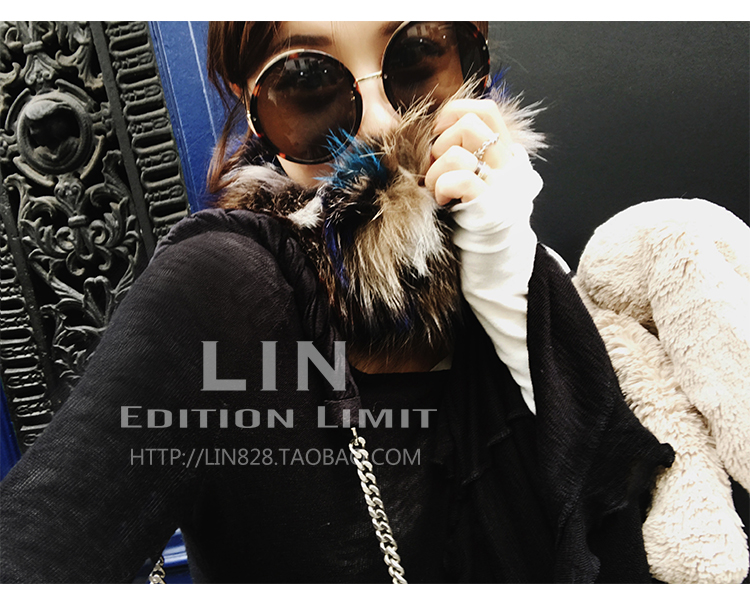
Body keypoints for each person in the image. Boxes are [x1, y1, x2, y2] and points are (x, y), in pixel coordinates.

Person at [0, 21, 673, 583]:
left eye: (416, 56)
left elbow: (607, 514)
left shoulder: (522, 267)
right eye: (307, 83)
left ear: (473, 59)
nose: (380, 122)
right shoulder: (225, 286)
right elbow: (45, 535)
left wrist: (507, 272)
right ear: (251, 104)